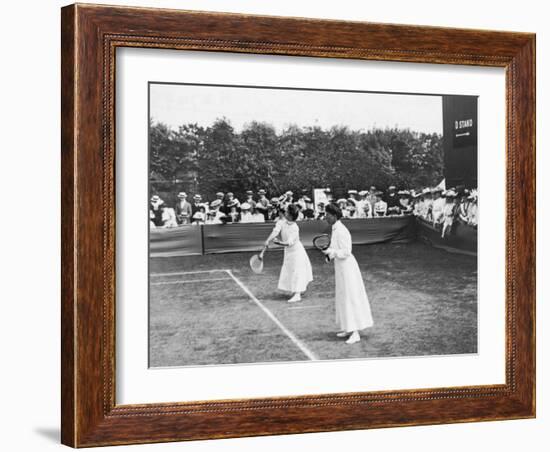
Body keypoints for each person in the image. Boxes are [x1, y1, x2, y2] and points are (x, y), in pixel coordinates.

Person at [322, 204, 374, 344]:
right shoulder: (334, 229)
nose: (325, 216)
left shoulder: (342, 230)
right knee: (343, 297)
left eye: (327, 214)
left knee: (350, 297)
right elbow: (334, 248)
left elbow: (346, 251)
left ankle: (355, 332)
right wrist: (329, 254)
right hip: (340, 268)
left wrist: (332, 253)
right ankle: (348, 328)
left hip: (348, 268)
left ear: (334, 216)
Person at [264, 204, 313, 303]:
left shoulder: (295, 227)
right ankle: (296, 290)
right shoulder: (281, 222)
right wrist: (267, 240)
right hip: (288, 252)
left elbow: (289, 243)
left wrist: (278, 243)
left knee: (297, 271)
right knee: (290, 270)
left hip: (297, 252)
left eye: (286, 211)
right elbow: (275, 231)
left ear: (290, 215)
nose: (284, 212)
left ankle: (297, 294)